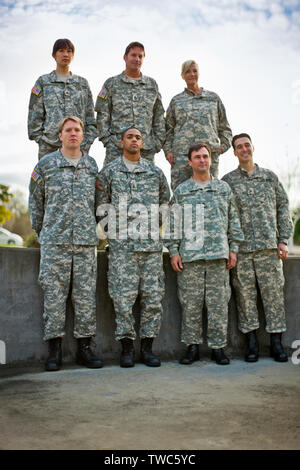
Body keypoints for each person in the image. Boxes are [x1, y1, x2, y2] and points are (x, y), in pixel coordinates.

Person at [29, 116, 103, 371]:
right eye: (68, 130)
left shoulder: (92, 166)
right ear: (59, 135)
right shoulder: (46, 165)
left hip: (84, 243)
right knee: (53, 296)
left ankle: (85, 349)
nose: (73, 133)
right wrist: (43, 232)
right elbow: (35, 202)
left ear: (83, 135)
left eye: (77, 130)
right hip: (54, 242)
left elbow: (100, 203)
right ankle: (54, 350)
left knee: (85, 298)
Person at [95, 127, 170, 367]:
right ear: (121, 142)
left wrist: (151, 228)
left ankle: (147, 348)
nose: (134, 140)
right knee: (122, 298)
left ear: (143, 142)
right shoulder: (109, 172)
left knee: (152, 298)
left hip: (150, 248)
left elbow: (164, 203)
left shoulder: (155, 172)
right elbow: (100, 205)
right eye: (130, 136)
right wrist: (114, 233)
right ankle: (126, 348)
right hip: (122, 250)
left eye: (138, 137)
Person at [165, 143, 244, 365]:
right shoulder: (181, 192)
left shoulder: (223, 189)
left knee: (219, 303)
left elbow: (233, 222)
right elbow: (173, 225)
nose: (202, 160)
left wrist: (234, 249)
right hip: (190, 258)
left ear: (210, 160)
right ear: (190, 162)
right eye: (197, 157)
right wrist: (173, 251)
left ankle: (218, 348)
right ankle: (192, 347)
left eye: (205, 156)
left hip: (219, 257)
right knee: (191, 304)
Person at [222, 133, 293, 362]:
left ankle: (276, 344)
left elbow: (283, 207)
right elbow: (226, 216)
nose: (244, 149)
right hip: (241, 251)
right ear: (234, 152)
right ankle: (251, 344)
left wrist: (283, 239)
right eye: (239, 147)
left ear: (253, 148)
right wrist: (230, 247)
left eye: (247, 145)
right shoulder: (228, 181)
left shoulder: (269, 178)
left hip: (268, 249)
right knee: (245, 298)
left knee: (273, 298)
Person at [164, 60, 232, 190]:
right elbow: (168, 130)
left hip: (207, 158)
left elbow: (225, 128)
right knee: (182, 196)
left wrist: (221, 148)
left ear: (199, 73)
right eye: (187, 71)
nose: (192, 74)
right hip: (182, 158)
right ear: (182, 75)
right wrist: (168, 152)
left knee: (210, 195)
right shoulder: (176, 101)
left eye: (194, 71)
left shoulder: (213, 99)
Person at [95, 42, 165, 166]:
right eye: (133, 55)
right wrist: (108, 141)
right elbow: (102, 114)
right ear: (125, 57)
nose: (137, 59)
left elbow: (159, 116)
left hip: (145, 151)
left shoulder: (151, 85)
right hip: (117, 150)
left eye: (140, 56)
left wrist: (157, 143)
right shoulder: (111, 84)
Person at [28, 38, 97, 160]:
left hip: (78, 148)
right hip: (50, 147)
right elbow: (34, 114)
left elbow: (90, 116)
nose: (66, 54)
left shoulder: (82, 84)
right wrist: (42, 140)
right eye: (61, 51)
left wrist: (86, 143)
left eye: (69, 51)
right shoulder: (43, 82)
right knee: (48, 179)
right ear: (54, 55)